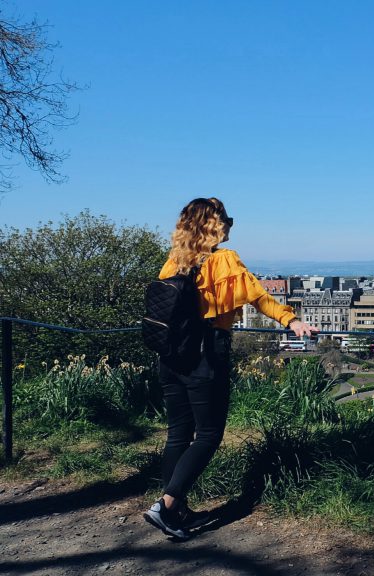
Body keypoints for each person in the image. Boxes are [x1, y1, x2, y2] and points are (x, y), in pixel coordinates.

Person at [143, 198, 317, 538]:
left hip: (170, 356)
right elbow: (258, 296)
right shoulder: (224, 261)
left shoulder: (173, 263)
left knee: (178, 434)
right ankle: (165, 505)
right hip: (206, 353)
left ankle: (175, 511)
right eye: (227, 221)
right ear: (215, 225)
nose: (229, 228)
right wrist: (291, 319)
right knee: (208, 434)